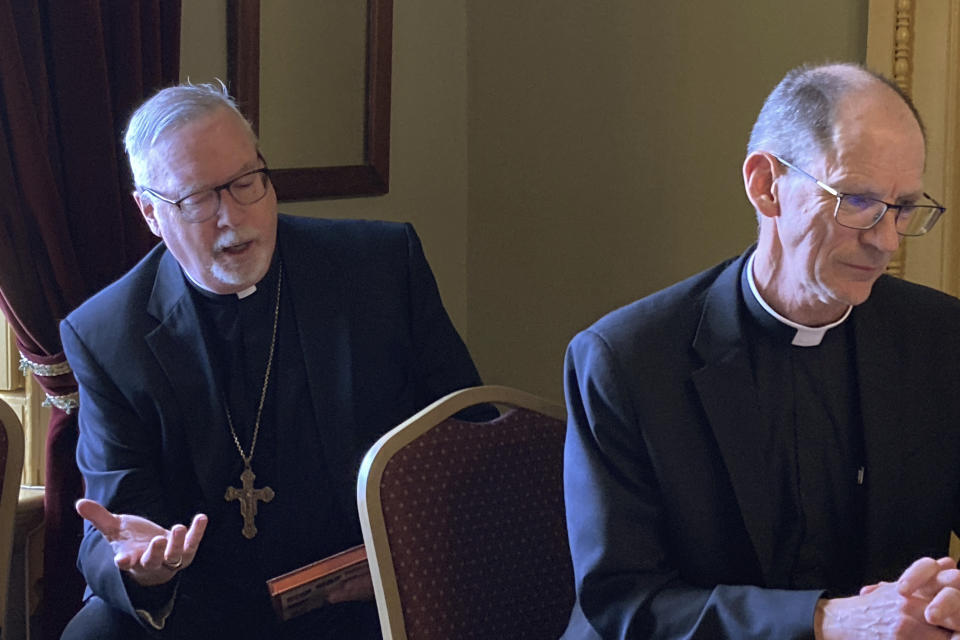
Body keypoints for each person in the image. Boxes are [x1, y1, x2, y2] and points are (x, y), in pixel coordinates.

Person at [59, 82, 489, 639]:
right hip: (210, 609)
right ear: (150, 213)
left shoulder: (379, 269)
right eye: (197, 200)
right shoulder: (107, 334)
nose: (233, 218)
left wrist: (405, 556)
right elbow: (114, 524)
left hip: (369, 593)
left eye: (247, 183)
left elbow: (469, 439)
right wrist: (147, 569)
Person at [561, 62, 960, 639]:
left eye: (903, 207)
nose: (885, 240)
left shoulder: (940, 339)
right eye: (856, 200)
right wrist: (825, 622)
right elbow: (624, 602)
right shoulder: (627, 359)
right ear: (765, 185)